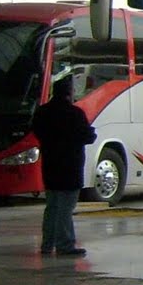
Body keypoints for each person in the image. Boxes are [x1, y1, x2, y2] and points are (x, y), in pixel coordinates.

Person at [30, 75, 96, 258]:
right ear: (69, 93)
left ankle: (47, 244)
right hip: (70, 166)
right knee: (66, 208)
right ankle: (65, 245)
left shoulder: (42, 112)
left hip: (50, 165)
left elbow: (37, 131)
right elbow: (88, 136)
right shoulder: (74, 113)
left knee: (52, 206)